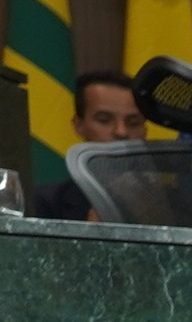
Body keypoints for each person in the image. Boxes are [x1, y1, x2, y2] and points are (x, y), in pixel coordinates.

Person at [35, 72, 142, 219]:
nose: (121, 132)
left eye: (133, 122)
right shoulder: (45, 203)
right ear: (79, 125)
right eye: (104, 120)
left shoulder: (170, 201)